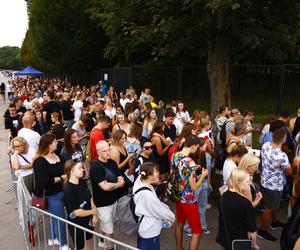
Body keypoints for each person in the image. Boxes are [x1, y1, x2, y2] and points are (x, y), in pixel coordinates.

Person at [258, 127, 295, 242]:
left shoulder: (266, 145)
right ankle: (262, 231)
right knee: (269, 208)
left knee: (272, 205)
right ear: (283, 140)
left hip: (264, 180)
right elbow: (289, 172)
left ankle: (274, 222)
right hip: (274, 186)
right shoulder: (282, 156)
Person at [172, 135, 209, 250]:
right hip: (188, 199)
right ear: (193, 146)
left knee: (179, 224)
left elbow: (177, 172)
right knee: (197, 231)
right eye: (197, 147)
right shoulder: (190, 162)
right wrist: (202, 176)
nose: (197, 150)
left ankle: (179, 248)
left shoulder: (175, 155)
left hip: (177, 195)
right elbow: (194, 187)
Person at [32, 133, 68, 249]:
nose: (57, 143)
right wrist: (62, 178)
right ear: (48, 145)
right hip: (49, 196)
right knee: (60, 220)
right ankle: (64, 245)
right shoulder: (40, 161)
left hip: (60, 192)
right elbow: (44, 182)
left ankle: (52, 238)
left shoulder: (58, 156)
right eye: (54, 142)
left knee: (55, 217)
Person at [90, 141, 125, 250]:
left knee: (107, 225)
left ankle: (102, 240)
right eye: (104, 151)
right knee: (110, 231)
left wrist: (115, 183)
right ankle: (109, 247)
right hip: (102, 204)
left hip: (113, 201)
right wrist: (119, 184)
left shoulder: (112, 163)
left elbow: (120, 177)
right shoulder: (95, 167)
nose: (107, 152)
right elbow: (105, 187)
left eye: (108, 149)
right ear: (98, 152)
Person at [133, 162, 175, 250]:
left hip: (144, 227)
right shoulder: (147, 195)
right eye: (156, 172)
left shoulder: (139, 181)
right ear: (149, 176)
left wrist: (154, 181)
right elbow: (159, 210)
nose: (159, 174)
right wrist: (171, 217)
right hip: (150, 231)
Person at [216, 168, 259, 250]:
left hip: (225, 238)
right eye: (247, 182)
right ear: (239, 184)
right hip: (238, 242)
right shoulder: (245, 203)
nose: (249, 184)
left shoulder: (224, 196)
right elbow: (252, 231)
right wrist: (254, 244)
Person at [64, 160, 98, 250]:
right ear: (71, 170)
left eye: (82, 167)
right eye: (79, 168)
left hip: (88, 220)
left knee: (89, 241)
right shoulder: (68, 189)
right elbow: (76, 212)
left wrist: (94, 215)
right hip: (77, 225)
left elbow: (90, 198)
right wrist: (93, 211)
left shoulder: (82, 182)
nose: (83, 170)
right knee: (81, 247)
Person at [110, 129, 136, 195]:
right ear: (117, 138)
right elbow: (116, 168)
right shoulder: (114, 150)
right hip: (119, 175)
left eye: (125, 138)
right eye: (122, 139)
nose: (124, 140)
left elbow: (127, 159)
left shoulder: (122, 145)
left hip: (126, 172)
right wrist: (128, 158)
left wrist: (131, 167)